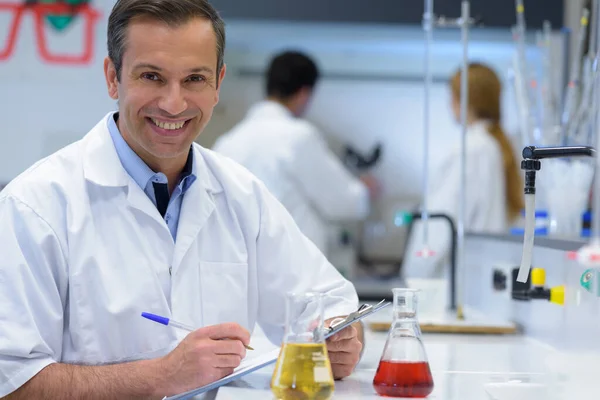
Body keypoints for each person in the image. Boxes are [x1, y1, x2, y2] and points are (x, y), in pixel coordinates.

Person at [0, 1, 365, 398]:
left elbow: (330, 303)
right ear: (112, 77)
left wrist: (343, 338)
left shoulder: (242, 195)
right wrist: (161, 376)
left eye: (194, 79)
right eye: (152, 76)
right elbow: (13, 382)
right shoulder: (35, 206)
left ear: (217, 83)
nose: (174, 103)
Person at [213, 51, 379, 254]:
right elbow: (343, 203)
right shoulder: (298, 138)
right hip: (291, 271)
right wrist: (364, 191)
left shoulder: (228, 142)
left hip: (241, 266)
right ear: (304, 93)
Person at [403, 63, 524, 279]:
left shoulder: (470, 150)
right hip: (481, 280)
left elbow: (440, 224)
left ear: (465, 101)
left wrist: (413, 275)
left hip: (452, 285)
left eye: (452, 96)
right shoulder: (496, 146)